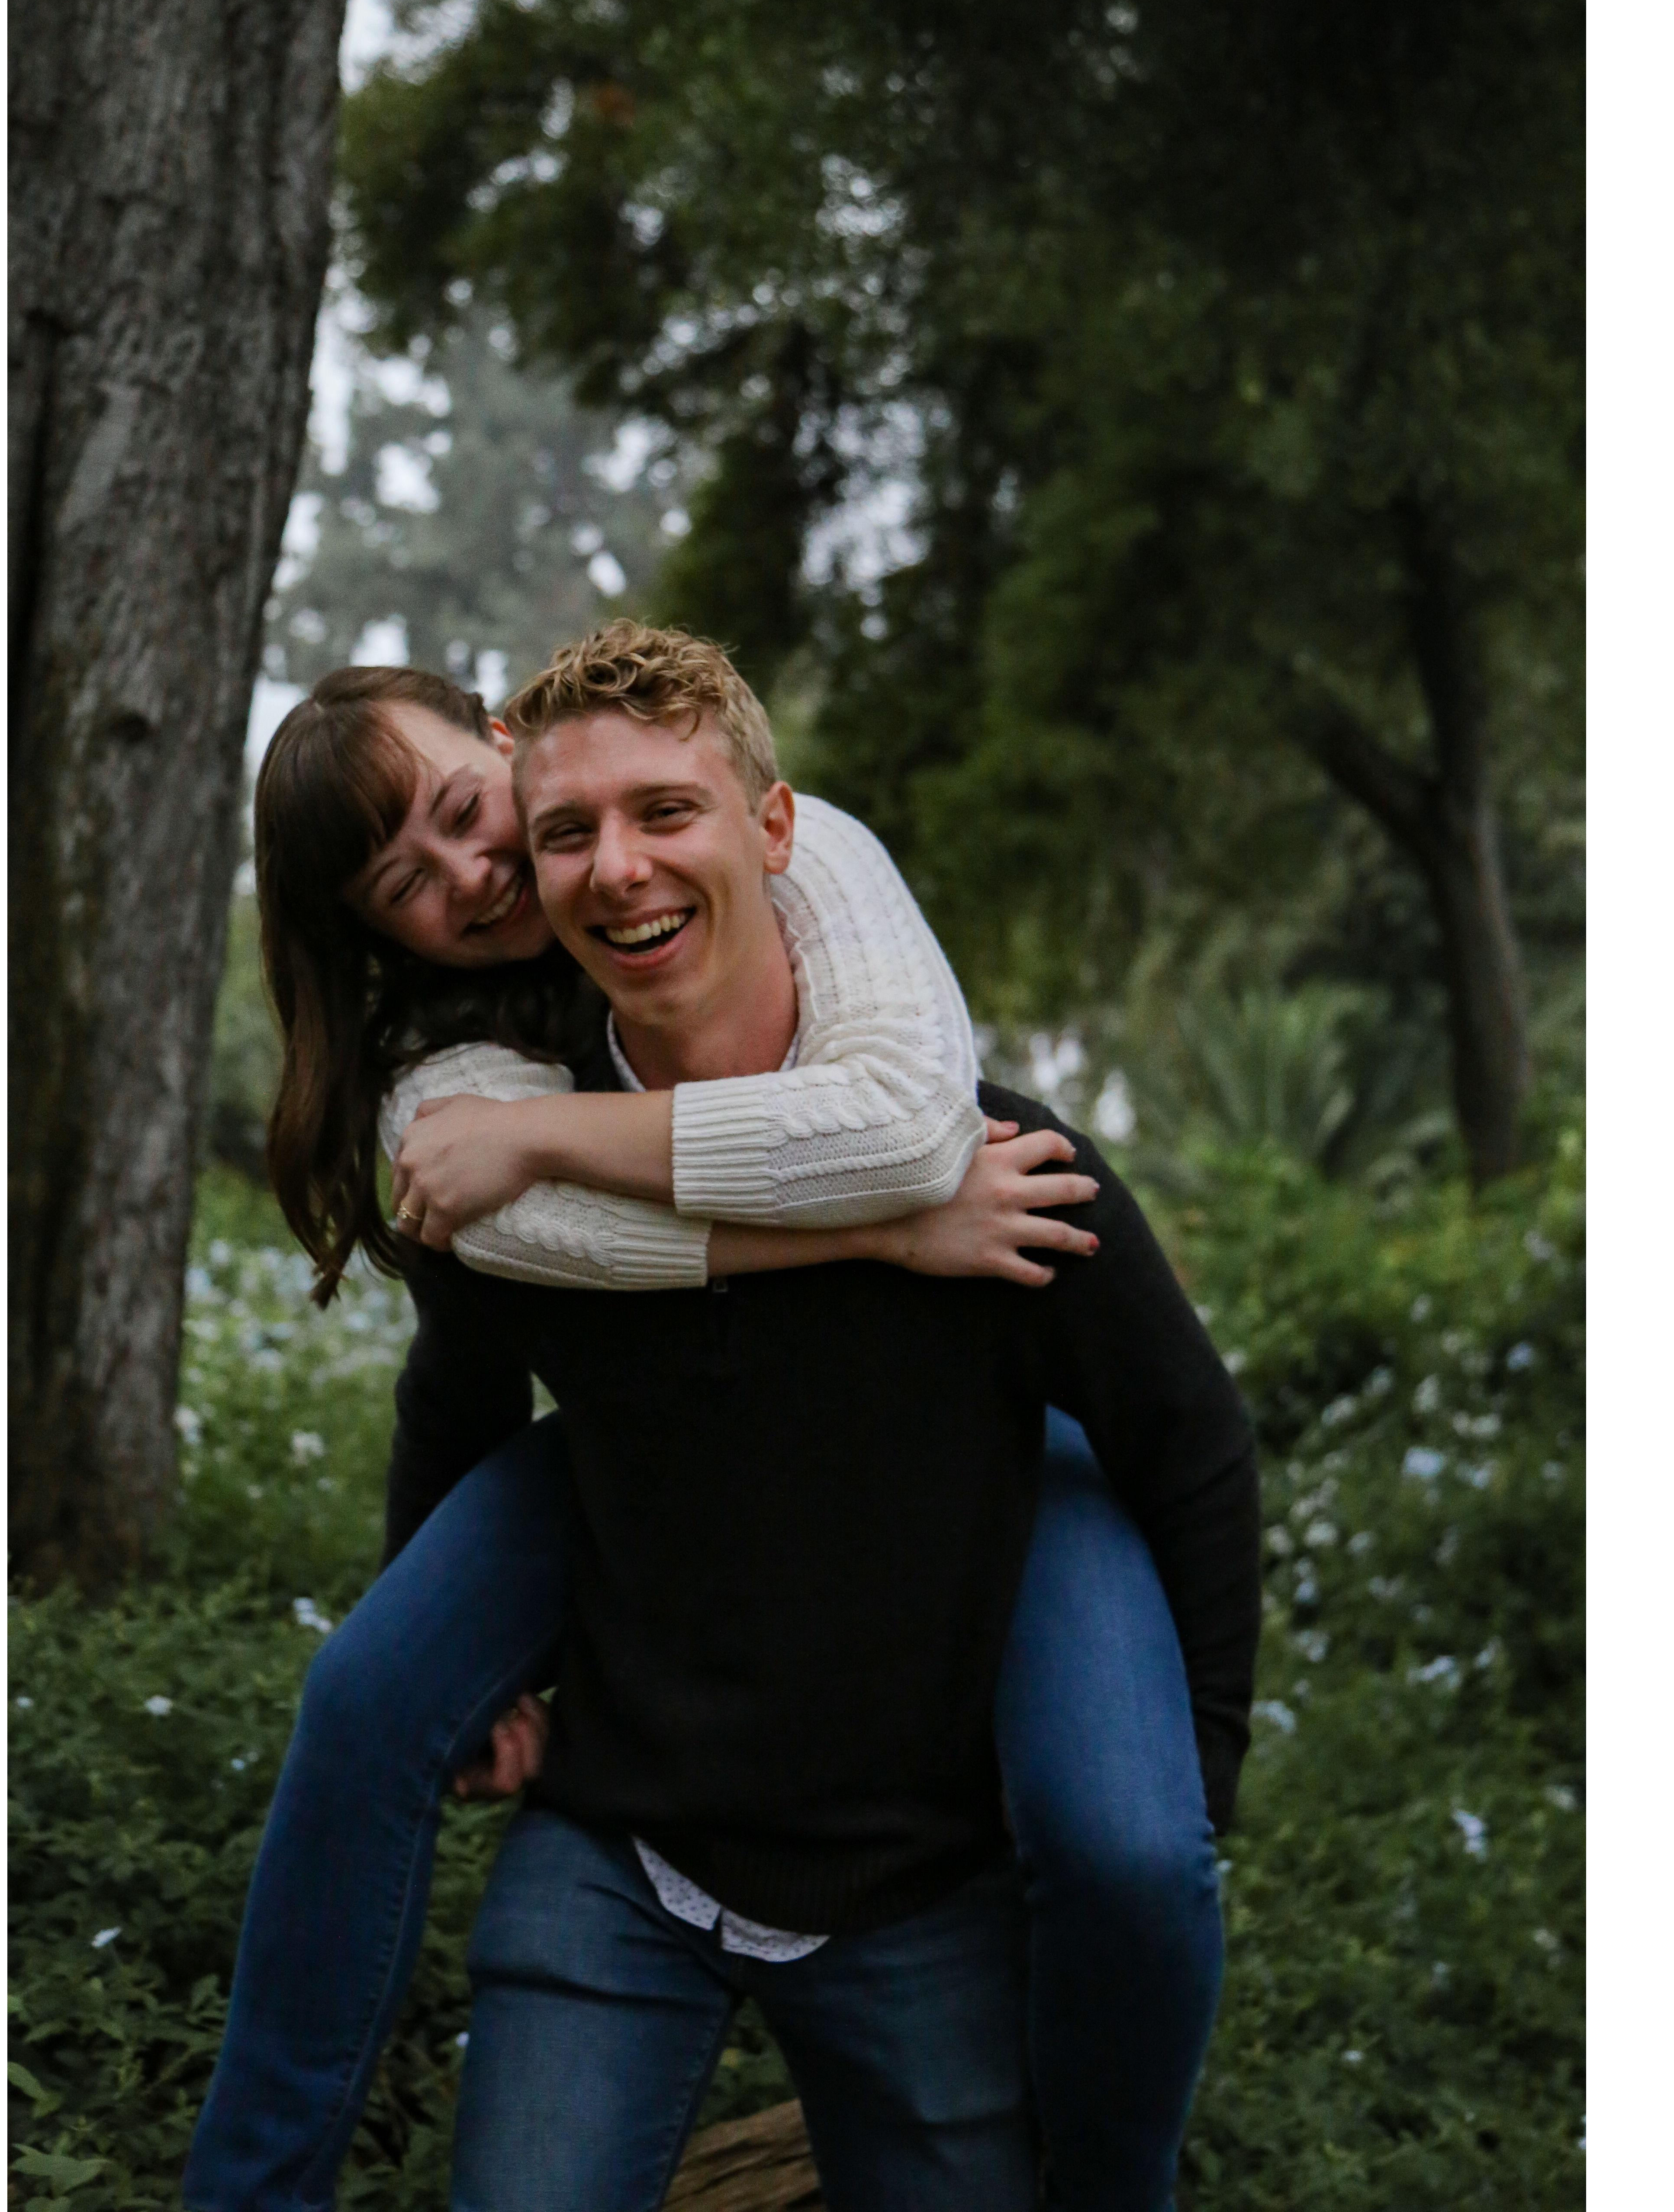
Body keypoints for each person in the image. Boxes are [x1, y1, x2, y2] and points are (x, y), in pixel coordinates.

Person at [184, 635, 1247, 2212]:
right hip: (634, 1677)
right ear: (371, 934)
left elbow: (1179, 1427)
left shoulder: (927, 1072)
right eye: (407, 882)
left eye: (471, 817)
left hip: (978, 1543)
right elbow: (458, 1385)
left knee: (1133, 1848)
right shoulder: (461, 1095)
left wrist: (1201, 1774)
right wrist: (881, 1231)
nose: (484, 877)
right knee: (366, 1696)